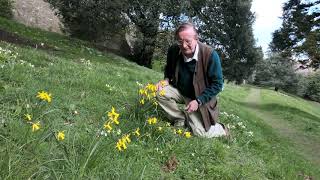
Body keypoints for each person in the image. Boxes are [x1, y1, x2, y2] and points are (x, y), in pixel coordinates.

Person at [156, 22, 228, 138]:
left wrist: (199, 101)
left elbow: (218, 84)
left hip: (199, 98)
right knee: (160, 91)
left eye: (188, 41)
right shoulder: (174, 50)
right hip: (180, 90)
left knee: (200, 134)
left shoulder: (210, 55)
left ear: (196, 39)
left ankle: (222, 129)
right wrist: (166, 80)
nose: (184, 45)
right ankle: (179, 118)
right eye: (180, 41)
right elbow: (169, 68)